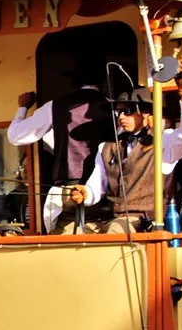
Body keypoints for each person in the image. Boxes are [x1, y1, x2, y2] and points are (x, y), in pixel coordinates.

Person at [81, 56, 182, 234]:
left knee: (114, 231)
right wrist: (85, 193)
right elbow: (96, 186)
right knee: (80, 234)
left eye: (127, 111)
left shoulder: (163, 140)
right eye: (118, 111)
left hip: (144, 220)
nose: (121, 117)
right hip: (109, 217)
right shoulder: (106, 148)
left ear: (146, 114)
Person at [7, 59, 116, 234]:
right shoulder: (114, 108)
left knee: (66, 234)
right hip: (110, 189)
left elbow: (16, 136)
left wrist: (22, 108)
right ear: (101, 83)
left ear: (74, 83)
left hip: (70, 187)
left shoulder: (55, 107)